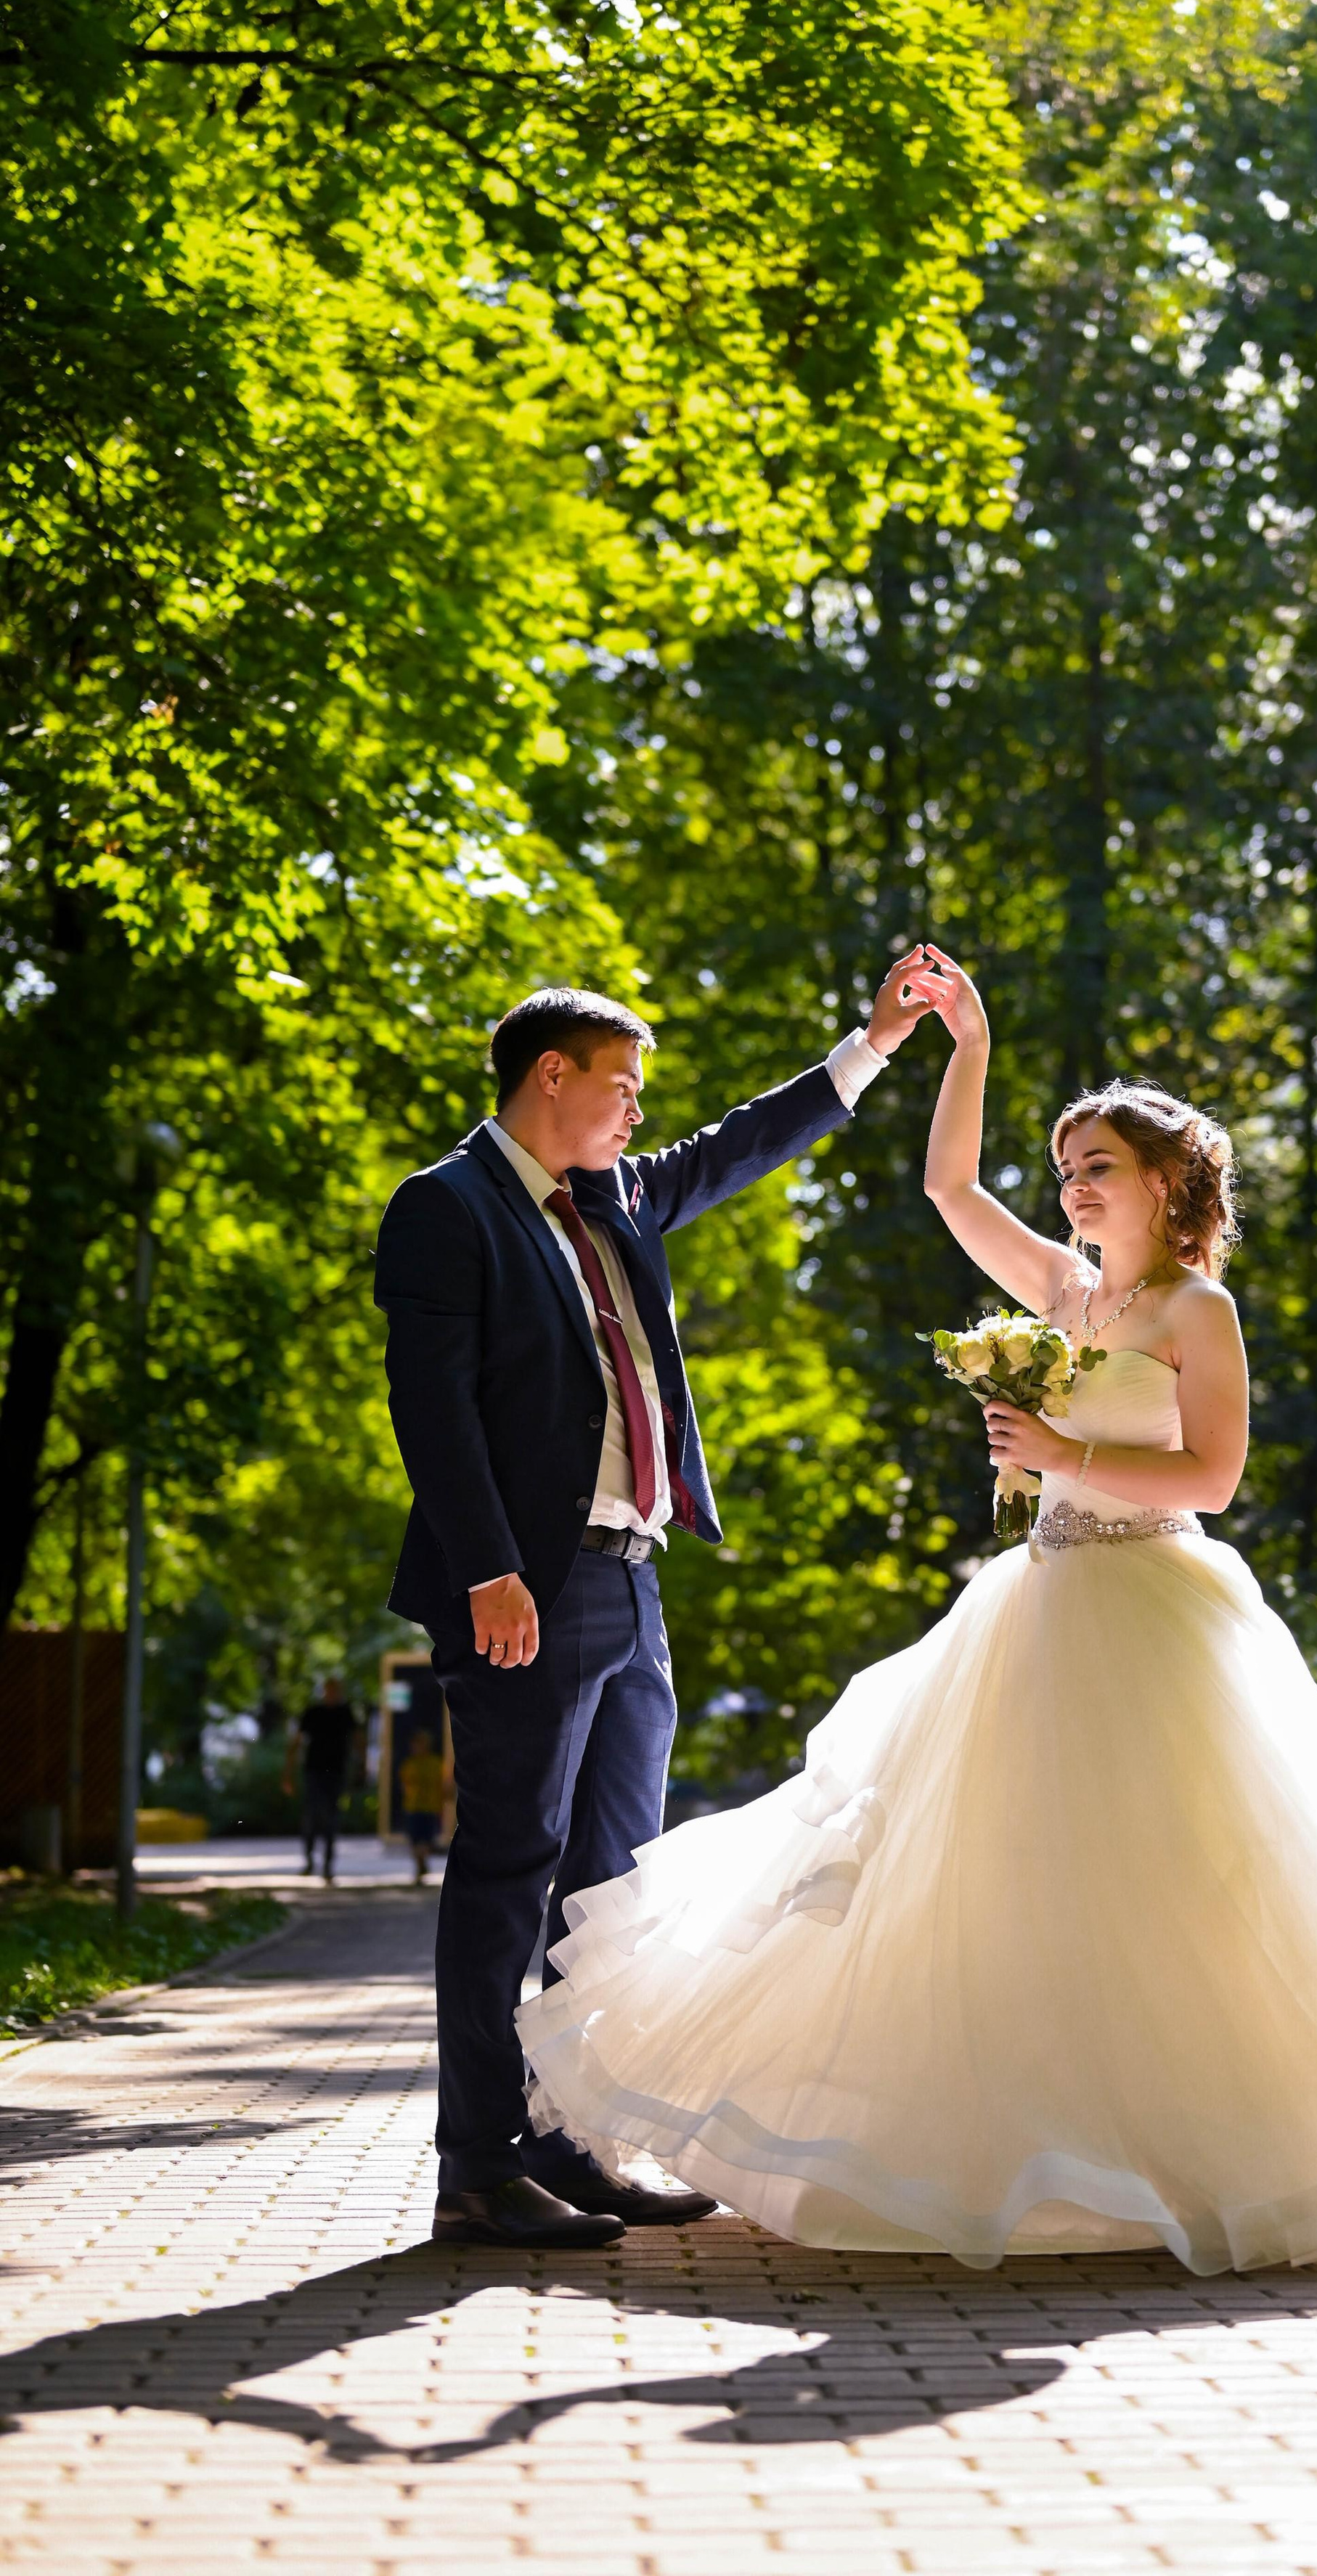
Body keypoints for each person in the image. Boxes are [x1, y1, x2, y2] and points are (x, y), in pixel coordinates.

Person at [518, 947, 1317, 2273]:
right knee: (1005, 1878)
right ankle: (1034, 2153)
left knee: (1187, 1882)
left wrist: (1053, 1449)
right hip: (1037, 1604)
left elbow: (1213, 1472)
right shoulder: (1069, 1295)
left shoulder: (1199, 1307)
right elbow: (946, 1186)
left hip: (1161, 1603)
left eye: (1098, 1165)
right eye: (1069, 1164)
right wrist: (963, 1045)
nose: (1075, 1184)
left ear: (1166, 1183)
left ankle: (1217, 2156)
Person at [374, 957, 945, 2249]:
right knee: (508, 1869)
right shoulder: (446, 1206)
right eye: (621, 1083)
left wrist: (871, 1044)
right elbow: (433, 1407)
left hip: (633, 1579)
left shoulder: (617, 1192)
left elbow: (740, 1145)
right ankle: (477, 2163)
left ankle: (576, 2135)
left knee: (609, 1885)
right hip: (525, 1581)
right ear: (551, 1074)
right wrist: (487, 1567)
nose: (638, 1109)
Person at [284, 1677, 359, 1884]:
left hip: (336, 1772)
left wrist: (359, 1768)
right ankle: (309, 1859)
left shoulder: (346, 1713)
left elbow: (357, 1741)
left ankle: (327, 1864)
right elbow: (296, 1742)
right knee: (312, 1816)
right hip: (314, 1771)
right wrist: (288, 1773)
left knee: (331, 1818)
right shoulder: (313, 1713)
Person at [399, 1729, 447, 1884]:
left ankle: (422, 1864)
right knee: (415, 1839)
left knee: (426, 1839)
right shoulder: (410, 1764)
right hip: (413, 1807)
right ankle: (420, 1865)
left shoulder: (436, 1764)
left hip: (430, 1807)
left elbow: (444, 1785)